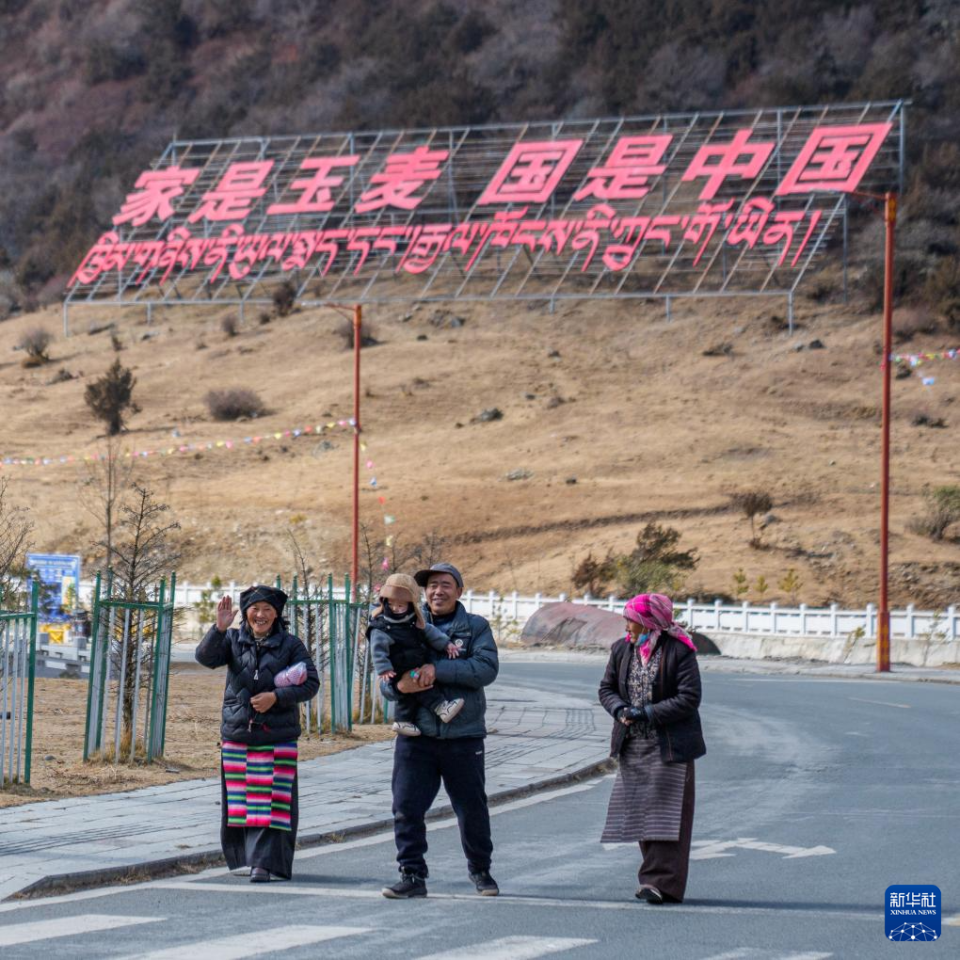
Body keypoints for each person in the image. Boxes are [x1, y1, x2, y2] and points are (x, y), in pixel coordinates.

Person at [379, 562, 500, 900]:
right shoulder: (402, 624)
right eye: (431, 585)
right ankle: (412, 874)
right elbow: (385, 680)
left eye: (445, 584)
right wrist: (401, 685)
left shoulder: (475, 627)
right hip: (415, 737)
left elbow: (486, 668)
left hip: (463, 736)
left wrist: (437, 669)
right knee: (406, 807)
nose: (437, 591)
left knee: (471, 808)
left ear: (459, 590)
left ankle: (481, 870)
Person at [195, 584, 319, 883]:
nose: (260, 615)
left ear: (277, 614)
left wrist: (276, 697)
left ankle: (264, 864)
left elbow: (310, 683)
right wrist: (219, 629)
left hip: (277, 736)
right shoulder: (234, 640)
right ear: (246, 613)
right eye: (255, 609)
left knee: (273, 802)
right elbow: (205, 658)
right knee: (243, 801)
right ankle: (247, 859)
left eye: (267, 609)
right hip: (238, 733)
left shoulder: (291, 645)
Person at [598, 593, 705, 904]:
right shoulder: (622, 650)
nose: (627, 626)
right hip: (633, 744)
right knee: (642, 813)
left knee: (669, 816)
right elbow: (606, 688)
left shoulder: (680, 651)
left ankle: (661, 883)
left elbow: (689, 698)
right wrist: (620, 709)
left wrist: (646, 713)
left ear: (648, 621)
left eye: (631, 619)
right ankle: (653, 880)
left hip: (670, 746)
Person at [368, 573, 464, 736]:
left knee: (412, 692)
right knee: (421, 684)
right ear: (384, 602)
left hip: (413, 664)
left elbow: (431, 633)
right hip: (399, 669)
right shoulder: (381, 626)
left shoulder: (414, 621)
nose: (396, 609)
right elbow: (377, 649)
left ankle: (403, 721)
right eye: (392, 605)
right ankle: (441, 708)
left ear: (411, 605)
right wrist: (384, 669)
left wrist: (447, 644)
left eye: (401, 606)